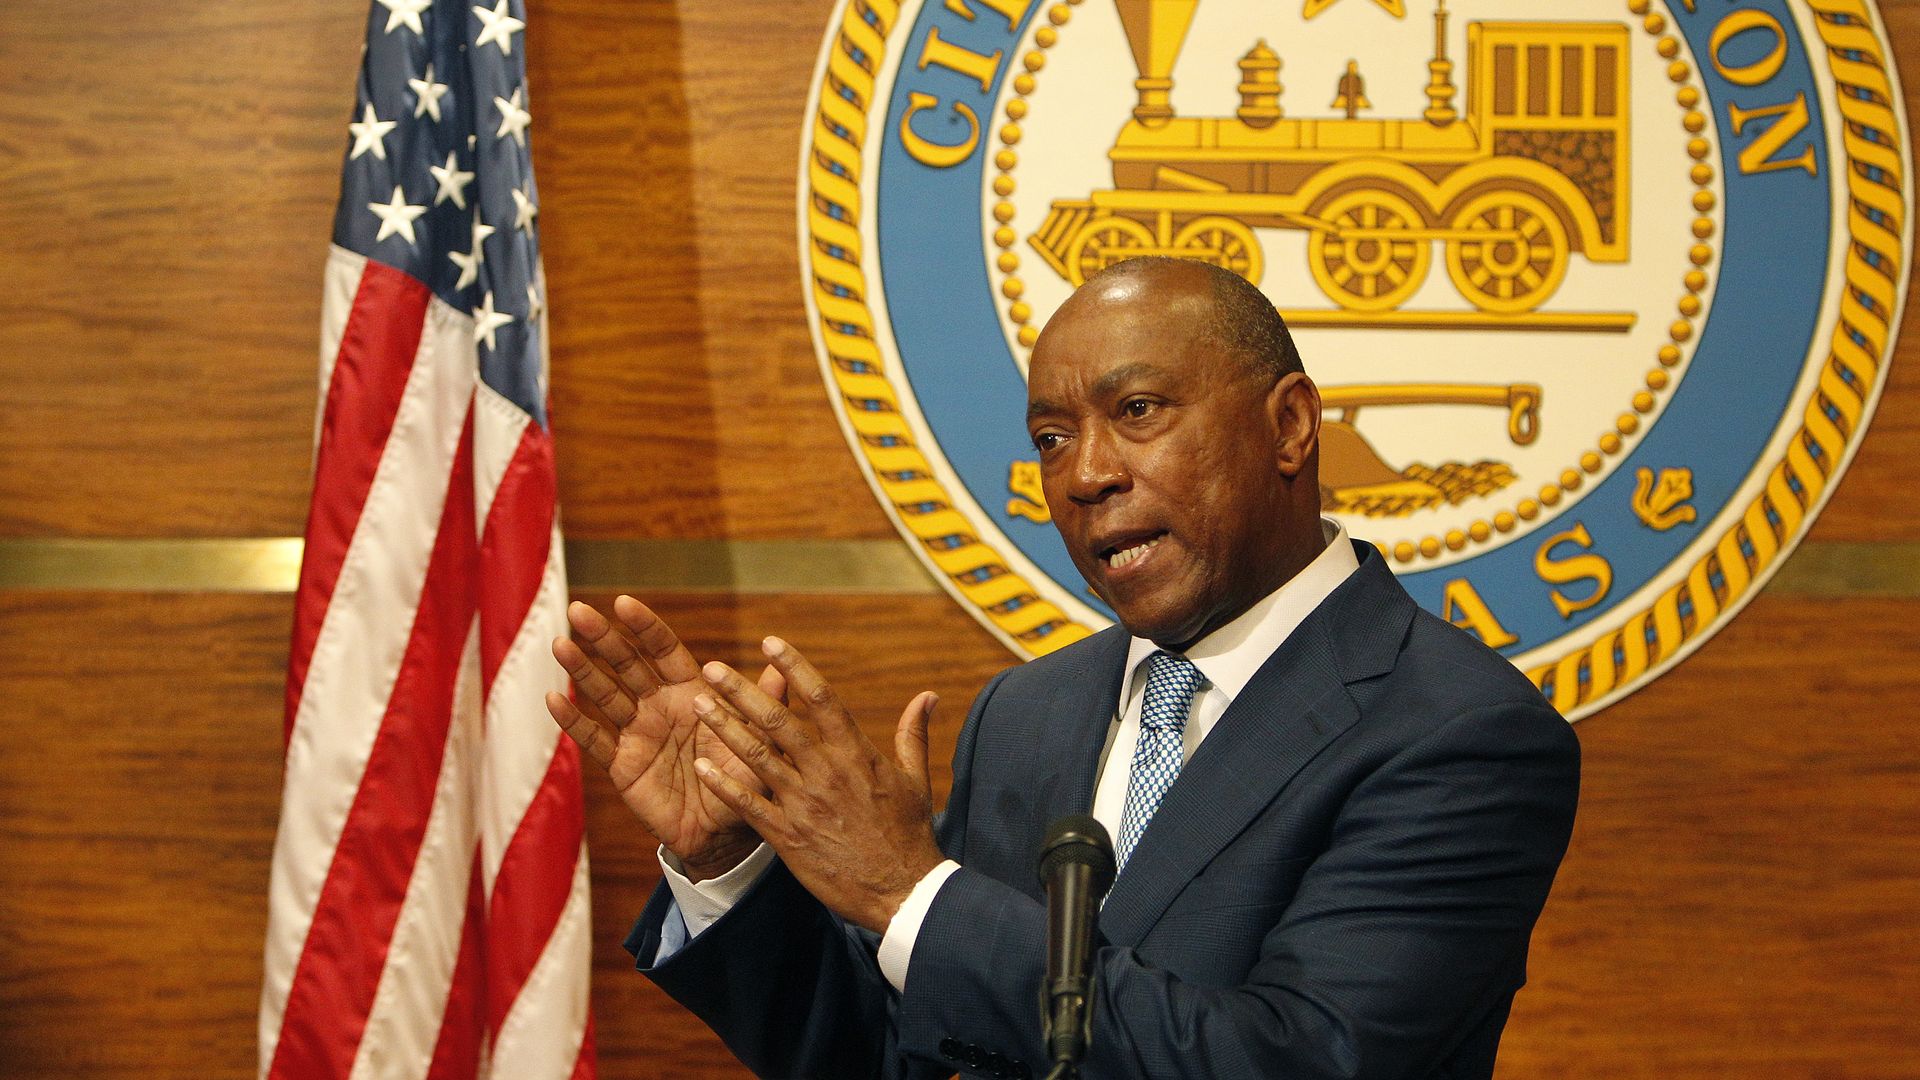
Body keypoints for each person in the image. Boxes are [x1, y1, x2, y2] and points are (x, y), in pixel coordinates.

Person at [547, 257, 1580, 1079]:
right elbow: (895, 1051)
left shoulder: (1458, 732)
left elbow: (1299, 1058)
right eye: (1051, 437)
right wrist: (731, 865)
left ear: (1289, 426)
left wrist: (914, 893)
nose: (1085, 475)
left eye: (1139, 412)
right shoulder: (1028, 714)